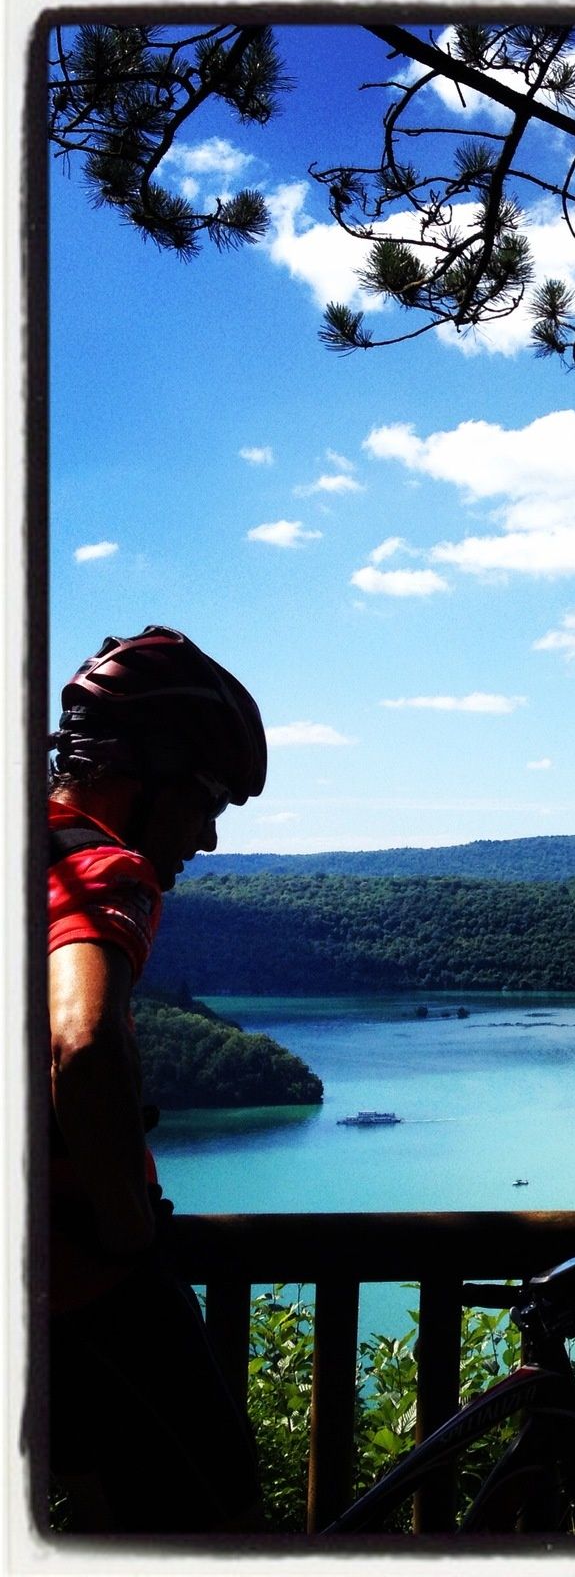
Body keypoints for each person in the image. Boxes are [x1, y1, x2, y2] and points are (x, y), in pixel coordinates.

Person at [45, 626, 267, 1533]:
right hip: (83, 1285)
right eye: (209, 800)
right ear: (150, 770)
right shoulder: (102, 866)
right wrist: (127, 1231)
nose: (210, 837)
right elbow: (86, 1042)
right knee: (217, 1515)